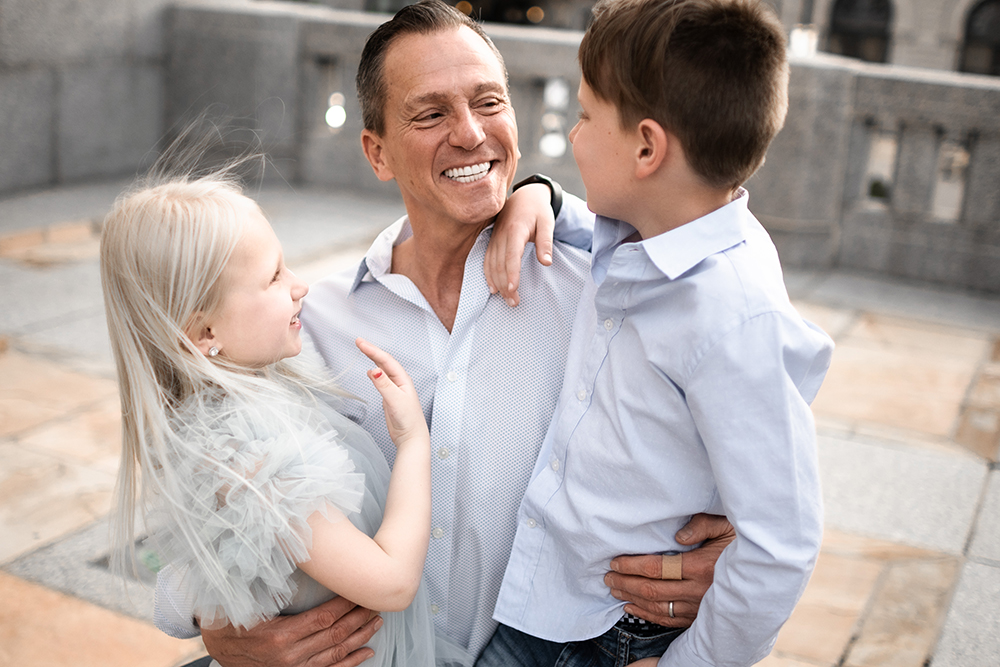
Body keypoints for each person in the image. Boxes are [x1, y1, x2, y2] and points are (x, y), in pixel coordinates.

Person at [152, 3, 735, 665]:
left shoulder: (601, 295)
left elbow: (743, 386)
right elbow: (205, 497)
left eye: (488, 102)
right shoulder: (307, 326)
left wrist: (734, 551)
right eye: (431, 114)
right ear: (377, 152)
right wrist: (217, 622)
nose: (469, 133)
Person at [482, 0, 834, 665]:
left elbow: (781, 540)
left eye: (586, 115)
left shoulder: (734, 316)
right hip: (541, 596)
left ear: (647, 147)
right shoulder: (654, 224)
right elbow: (590, 223)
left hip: (618, 633)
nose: (572, 132)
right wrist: (543, 196)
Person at [101, 169, 450, 667]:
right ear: (203, 331)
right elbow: (391, 582)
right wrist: (414, 441)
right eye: (273, 277)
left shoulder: (251, 393)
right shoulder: (251, 457)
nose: (299, 286)